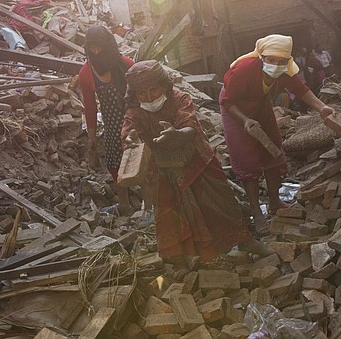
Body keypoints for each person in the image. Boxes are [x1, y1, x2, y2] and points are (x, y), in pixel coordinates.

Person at [121, 61, 271, 262]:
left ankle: (244, 239)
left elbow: (190, 125)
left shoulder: (180, 99)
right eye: (141, 93)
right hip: (163, 170)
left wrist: (178, 135)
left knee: (222, 201)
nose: (148, 98)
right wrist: (131, 139)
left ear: (164, 85)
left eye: (153, 90)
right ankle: (181, 259)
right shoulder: (135, 112)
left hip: (198, 161)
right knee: (172, 213)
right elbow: (129, 133)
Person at [220, 35, 334, 233]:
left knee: (274, 149)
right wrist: (245, 121)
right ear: (262, 57)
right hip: (234, 108)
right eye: (271, 60)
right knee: (246, 158)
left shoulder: (284, 71)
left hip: (259, 104)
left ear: (287, 61)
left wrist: (322, 107)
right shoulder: (244, 70)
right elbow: (228, 101)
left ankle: (274, 201)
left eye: (281, 61)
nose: (275, 64)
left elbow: (300, 89)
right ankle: (256, 211)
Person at [77, 26, 134, 197]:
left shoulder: (126, 64)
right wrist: (92, 137)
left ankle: (149, 200)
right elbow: (90, 107)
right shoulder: (86, 72)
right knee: (114, 163)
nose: (96, 51)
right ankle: (126, 201)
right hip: (112, 126)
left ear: (108, 45)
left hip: (134, 121)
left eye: (100, 47)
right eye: (92, 48)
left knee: (141, 158)